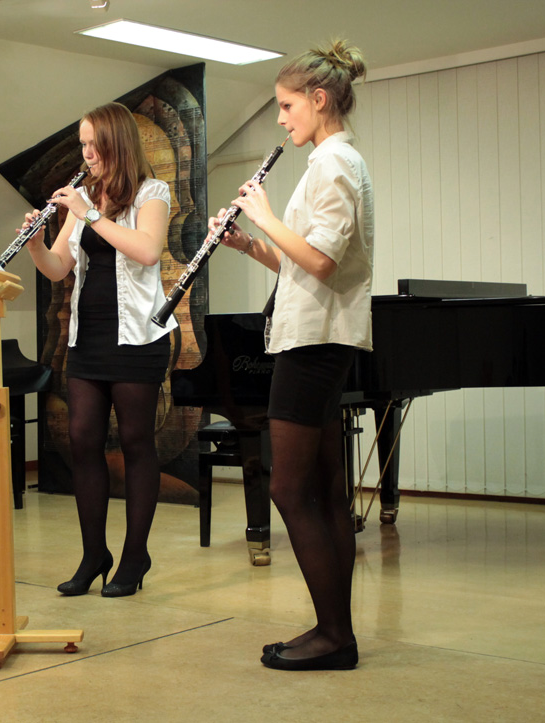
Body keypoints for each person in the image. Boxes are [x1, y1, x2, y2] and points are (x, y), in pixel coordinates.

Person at [210, 40, 373, 670]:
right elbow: (301, 264)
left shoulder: (334, 165)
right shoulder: (331, 162)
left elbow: (323, 262)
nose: (280, 118)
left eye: (286, 105)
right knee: (326, 492)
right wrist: (249, 244)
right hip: (316, 333)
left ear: (319, 99)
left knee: (288, 488)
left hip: (315, 341)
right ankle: (336, 631)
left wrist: (264, 214)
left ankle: (334, 636)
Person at [22, 102, 176, 597]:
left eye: (95, 144)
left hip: (138, 338)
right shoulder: (85, 197)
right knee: (82, 438)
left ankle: (135, 555)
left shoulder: (152, 193)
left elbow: (147, 251)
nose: (87, 154)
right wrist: (35, 243)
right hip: (88, 337)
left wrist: (89, 214)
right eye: (83, 145)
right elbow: (58, 267)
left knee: (135, 442)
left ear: (117, 143)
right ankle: (94, 554)